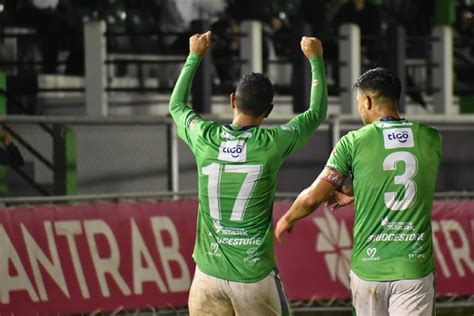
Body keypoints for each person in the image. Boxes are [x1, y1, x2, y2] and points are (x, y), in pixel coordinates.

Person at [169, 31, 327, 315]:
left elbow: (177, 106)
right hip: (253, 279)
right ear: (268, 111)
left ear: (233, 100)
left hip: (207, 276)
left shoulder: (205, 138)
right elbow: (315, 112)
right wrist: (316, 60)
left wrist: (194, 55)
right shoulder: (271, 145)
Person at [275, 67, 442, 315]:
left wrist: (288, 218)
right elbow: (405, 181)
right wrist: (359, 192)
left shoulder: (353, 141)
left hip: (369, 269)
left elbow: (314, 196)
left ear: (367, 100)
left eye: (358, 103)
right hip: (413, 268)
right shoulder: (431, 138)